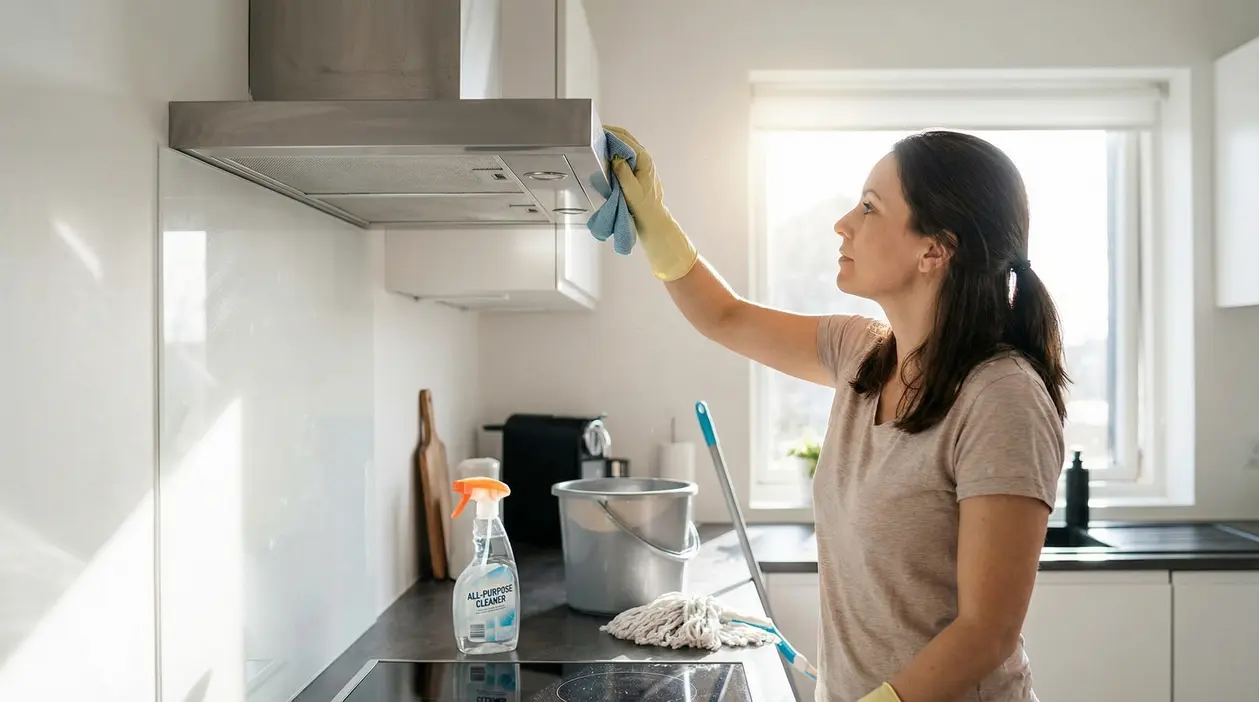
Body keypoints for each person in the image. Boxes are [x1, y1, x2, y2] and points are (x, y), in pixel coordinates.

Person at [603, 126, 1068, 702]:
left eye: (870, 208)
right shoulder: (862, 355)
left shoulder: (1001, 396)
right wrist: (651, 215)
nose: (843, 223)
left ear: (934, 249)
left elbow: (987, 633)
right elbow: (723, 316)